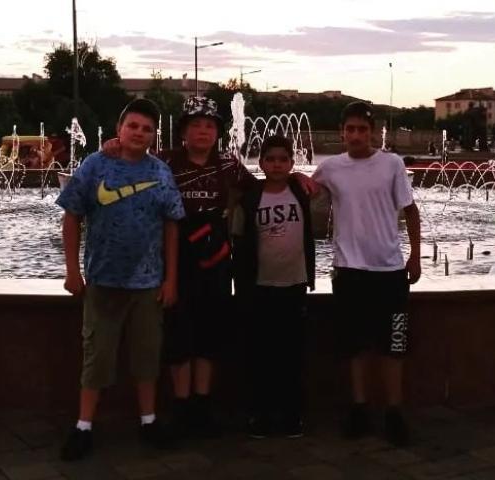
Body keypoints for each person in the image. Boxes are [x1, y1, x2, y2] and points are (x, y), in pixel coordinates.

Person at [101, 96, 316, 438]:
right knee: (178, 335)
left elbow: (266, 186)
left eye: (210, 125)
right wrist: (113, 146)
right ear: (183, 130)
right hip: (174, 260)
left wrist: (296, 177)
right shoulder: (164, 161)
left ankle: (201, 405)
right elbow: (129, 159)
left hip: (215, 263)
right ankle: (181, 405)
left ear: (218, 132)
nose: (203, 131)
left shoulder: (229, 165)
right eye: (195, 125)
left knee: (209, 333)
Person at [57, 98, 185, 460]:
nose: (139, 133)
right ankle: (83, 426)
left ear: (154, 135)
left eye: (147, 129)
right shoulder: (95, 165)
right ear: (119, 129)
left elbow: (171, 225)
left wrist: (171, 280)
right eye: (133, 126)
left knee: (147, 356)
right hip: (103, 282)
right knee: (96, 356)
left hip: (148, 285)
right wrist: (72, 270)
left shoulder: (160, 172)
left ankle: (148, 421)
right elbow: (71, 216)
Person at [311, 102, 421, 447]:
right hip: (349, 271)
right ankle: (359, 408)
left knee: (394, 345)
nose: (356, 135)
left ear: (372, 132)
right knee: (353, 344)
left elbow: (411, 211)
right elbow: (304, 193)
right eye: (350, 129)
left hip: (389, 270)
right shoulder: (330, 168)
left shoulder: (392, 164)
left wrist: (415, 256)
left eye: (362, 129)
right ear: (342, 132)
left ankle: (394, 411)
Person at [231, 135, 315, 440]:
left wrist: (300, 176)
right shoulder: (250, 198)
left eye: (283, 160)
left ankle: (291, 414)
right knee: (260, 353)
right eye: (271, 159)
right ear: (261, 163)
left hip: (294, 285)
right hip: (260, 287)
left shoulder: (300, 192)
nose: (277, 165)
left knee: (291, 353)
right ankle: (260, 413)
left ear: (292, 163)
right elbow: (238, 240)